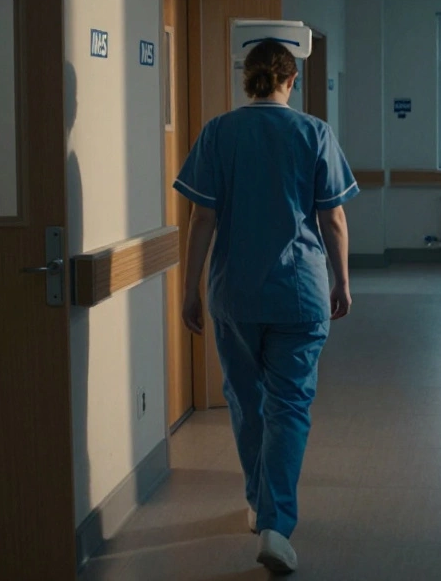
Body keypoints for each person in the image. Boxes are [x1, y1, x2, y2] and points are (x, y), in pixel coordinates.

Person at [173, 39, 358, 574]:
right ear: (291, 79)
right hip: (300, 292)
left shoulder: (219, 133)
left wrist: (189, 289)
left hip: (234, 293)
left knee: (246, 400)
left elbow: (201, 220)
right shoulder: (313, 132)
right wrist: (342, 281)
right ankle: (276, 525)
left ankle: (259, 501)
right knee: (290, 406)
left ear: (246, 79)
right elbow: (334, 220)